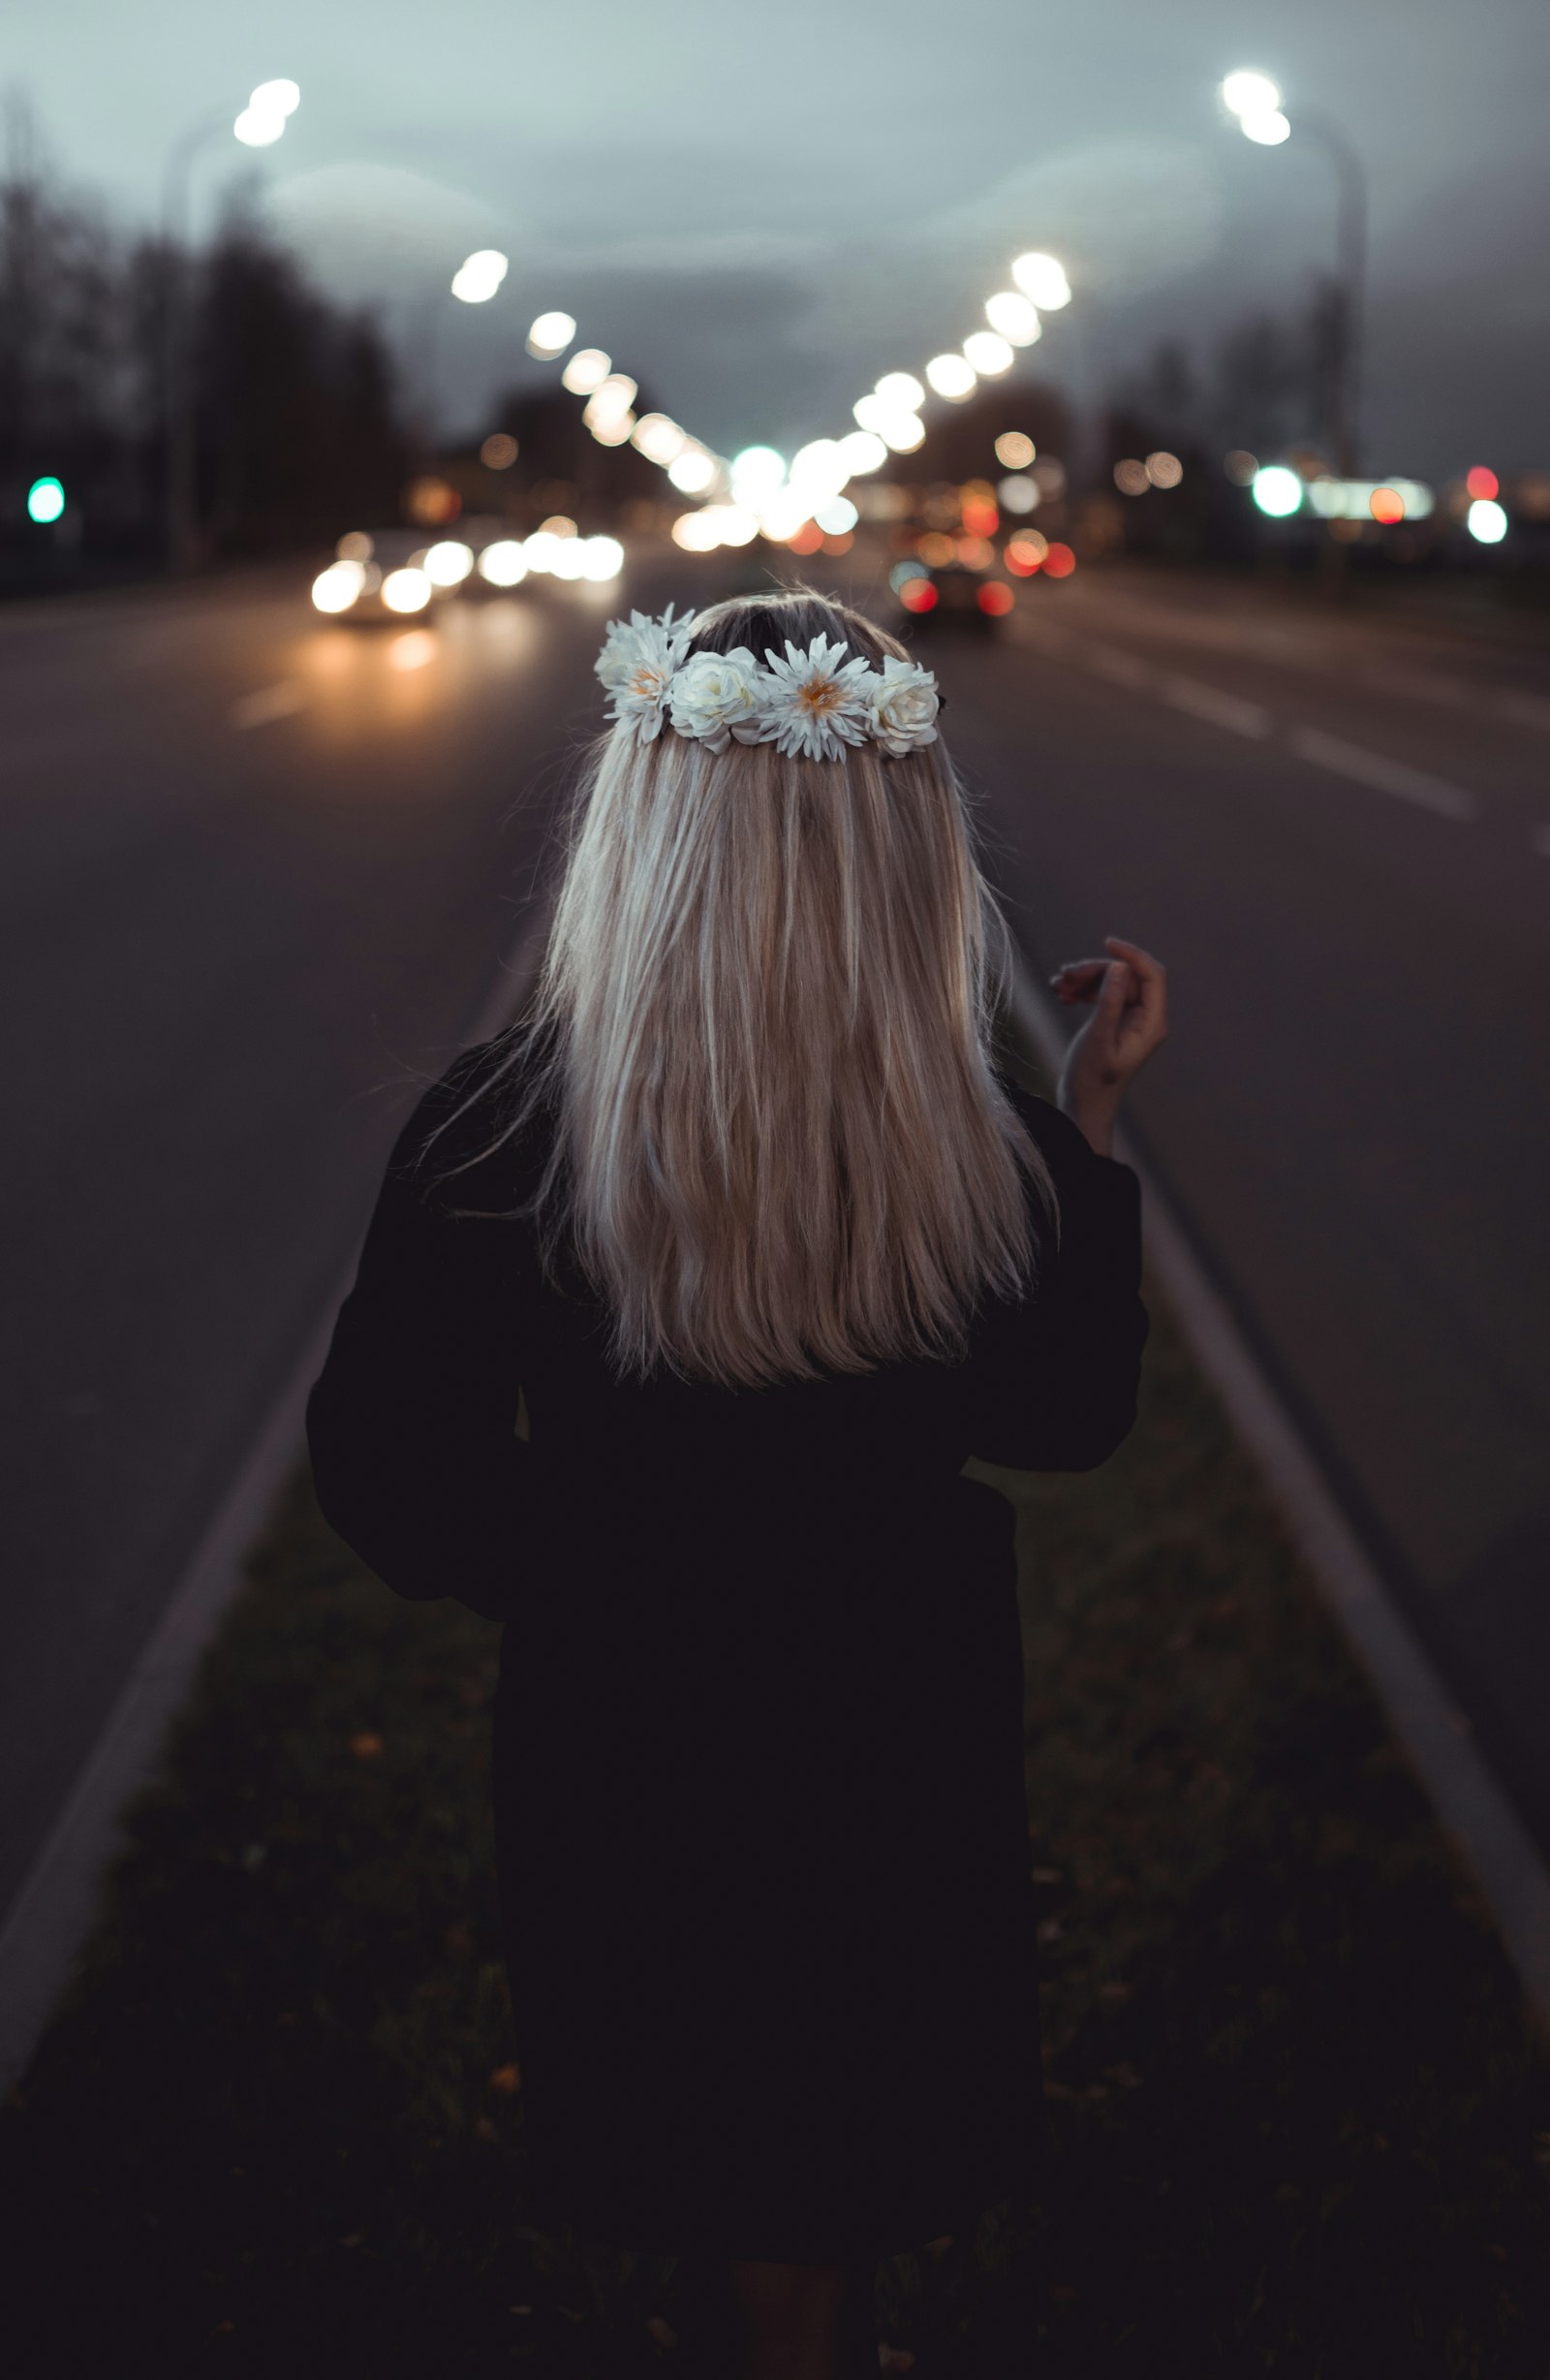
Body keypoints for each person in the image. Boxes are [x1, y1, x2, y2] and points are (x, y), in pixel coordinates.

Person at [304, 586, 1167, 2379]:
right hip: (895, 1737)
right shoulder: (969, 1141)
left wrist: (600, 1567)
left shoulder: (508, 1126)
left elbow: (392, 1476)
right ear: (906, 851)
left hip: (630, 1749)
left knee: (705, 2160)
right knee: (826, 2193)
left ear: (644, 826)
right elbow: (1069, 1410)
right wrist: (1086, 1125)